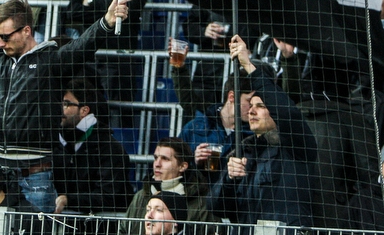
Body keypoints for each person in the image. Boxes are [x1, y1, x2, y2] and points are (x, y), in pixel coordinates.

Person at [0, 0, 130, 213]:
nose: (0, 43)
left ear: (26, 30)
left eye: (5, 36)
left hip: (35, 177)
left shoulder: (51, 61)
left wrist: (106, 23)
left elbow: (84, 45)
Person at [207, 35, 317, 229]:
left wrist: (248, 65)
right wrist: (229, 179)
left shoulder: (296, 146)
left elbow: (286, 111)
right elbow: (217, 207)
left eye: (261, 106)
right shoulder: (243, 152)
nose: (251, 110)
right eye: (250, 105)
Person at [53, 78, 132, 214]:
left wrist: (69, 200)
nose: (60, 109)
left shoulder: (110, 149)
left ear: (84, 110)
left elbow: (107, 197)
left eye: (66, 104)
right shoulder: (55, 143)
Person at [122, 139, 212, 235]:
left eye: (165, 159)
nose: (157, 164)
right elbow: (123, 231)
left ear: (182, 166)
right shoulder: (141, 196)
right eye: (156, 158)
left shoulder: (200, 203)